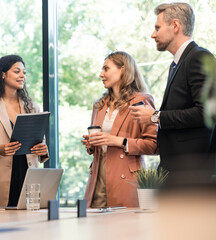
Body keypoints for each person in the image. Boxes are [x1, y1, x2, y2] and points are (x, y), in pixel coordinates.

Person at [129, 3, 214, 177]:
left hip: (192, 170)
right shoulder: (176, 64)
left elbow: (207, 113)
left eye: (157, 28)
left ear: (175, 26)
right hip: (176, 167)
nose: (153, 35)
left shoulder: (199, 57)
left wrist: (155, 116)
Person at [0, 55, 49, 208]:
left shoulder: (33, 108)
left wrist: (43, 149)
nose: (22, 76)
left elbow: (39, 141)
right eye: (17, 71)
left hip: (27, 177)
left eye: (24, 72)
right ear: (3, 74)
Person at [82, 51, 157, 208]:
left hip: (126, 181)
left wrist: (119, 141)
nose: (100, 74)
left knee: (124, 230)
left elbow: (154, 145)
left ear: (122, 69)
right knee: (95, 230)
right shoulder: (99, 105)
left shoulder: (141, 101)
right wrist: (91, 144)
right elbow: (99, 146)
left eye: (106, 69)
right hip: (98, 178)